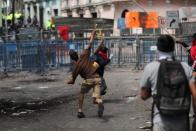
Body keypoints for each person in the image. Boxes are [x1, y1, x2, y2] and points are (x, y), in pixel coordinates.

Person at [140, 35, 196, 131]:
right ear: (174, 48)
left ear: (157, 48)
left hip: (160, 122)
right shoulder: (185, 67)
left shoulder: (151, 67)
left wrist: (155, 90)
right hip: (182, 122)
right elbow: (195, 95)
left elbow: (143, 95)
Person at [67, 30, 104, 118]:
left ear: (72, 58)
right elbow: (90, 43)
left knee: (82, 93)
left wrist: (68, 81)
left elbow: (72, 81)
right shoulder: (84, 54)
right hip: (98, 78)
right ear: (77, 53)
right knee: (96, 99)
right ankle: (100, 102)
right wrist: (92, 35)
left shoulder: (75, 67)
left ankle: (80, 111)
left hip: (88, 80)